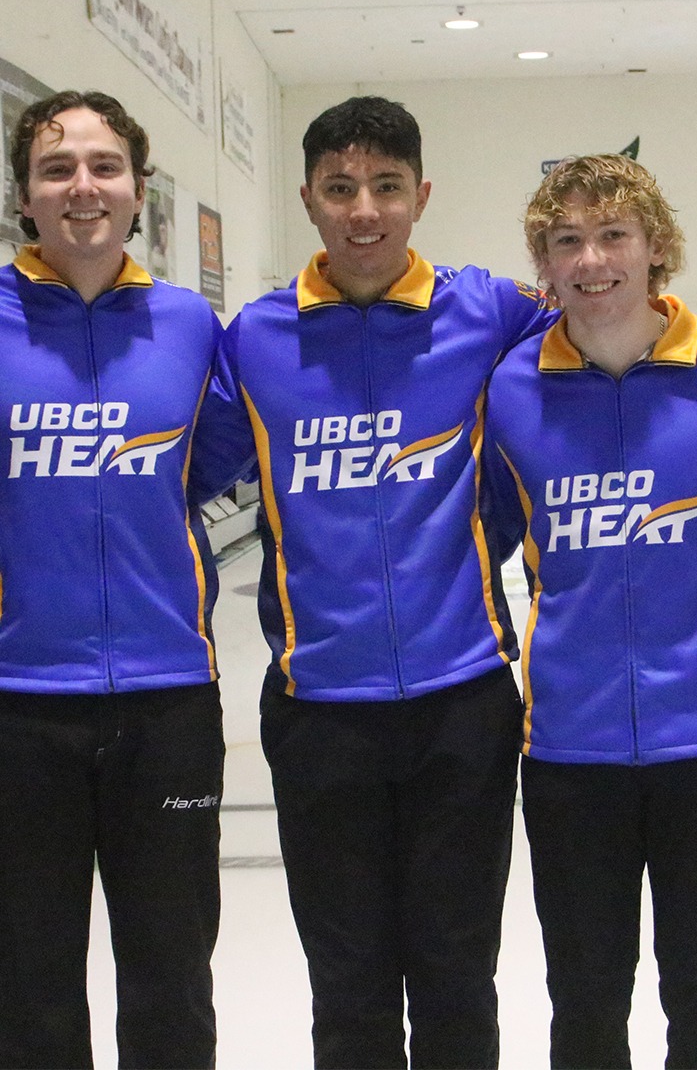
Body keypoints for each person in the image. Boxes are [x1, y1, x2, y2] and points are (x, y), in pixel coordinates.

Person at [192, 95, 553, 1069]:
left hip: (464, 707)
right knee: (348, 995)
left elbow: (611, 334)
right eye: (341, 188)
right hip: (321, 715)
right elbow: (174, 466)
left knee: (454, 979)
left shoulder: (490, 315)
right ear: (307, 199)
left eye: (386, 187)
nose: (365, 211)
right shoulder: (255, 340)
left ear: (421, 195)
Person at [481, 153, 697, 1070]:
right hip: (568, 749)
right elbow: (490, 529)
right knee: (587, 1006)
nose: (592, 259)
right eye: (568, 241)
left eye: (613, 235)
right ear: (545, 262)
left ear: (655, 249)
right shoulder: (510, 387)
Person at [0, 89, 223, 1070]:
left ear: (139, 192)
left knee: (171, 978)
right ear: (25, 199)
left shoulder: (190, 326)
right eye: (57, 170)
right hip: (18, 708)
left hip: (169, 700)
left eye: (103, 167)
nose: (82, 187)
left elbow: (211, 465)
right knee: (29, 980)